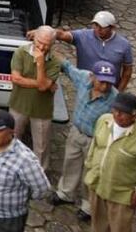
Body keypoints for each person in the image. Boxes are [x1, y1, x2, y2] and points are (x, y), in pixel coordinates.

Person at [48, 60, 119, 222]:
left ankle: (88, 206)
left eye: (109, 83)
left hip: (96, 140)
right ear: (92, 77)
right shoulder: (83, 78)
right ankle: (66, 193)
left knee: (91, 172)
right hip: (76, 131)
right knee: (70, 162)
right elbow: (67, 67)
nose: (106, 86)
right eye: (102, 81)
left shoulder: (115, 99)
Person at [85, 92, 136, 232]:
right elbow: (95, 145)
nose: (117, 115)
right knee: (98, 226)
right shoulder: (103, 121)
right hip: (97, 185)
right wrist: (90, 166)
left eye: (123, 113)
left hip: (122, 196)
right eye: (115, 110)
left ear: (135, 116)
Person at [8, 25, 62, 170]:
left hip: (42, 111)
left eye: (47, 44)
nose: (42, 47)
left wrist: (40, 64)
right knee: (12, 140)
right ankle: (11, 170)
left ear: (52, 44)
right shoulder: (21, 52)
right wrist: (41, 83)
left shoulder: (55, 62)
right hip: (18, 105)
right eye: (40, 42)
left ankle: (40, 176)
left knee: (41, 148)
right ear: (34, 38)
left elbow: (43, 87)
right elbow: (17, 79)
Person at [48, 11, 133, 90]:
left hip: (109, 90)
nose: (98, 29)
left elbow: (127, 71)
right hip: (85, 87)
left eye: (103, 27)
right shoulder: (83, 36)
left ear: (112, 28)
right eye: (96, 25)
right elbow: (62, 35)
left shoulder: (124, 45)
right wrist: (45, 33)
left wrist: (119, 92)